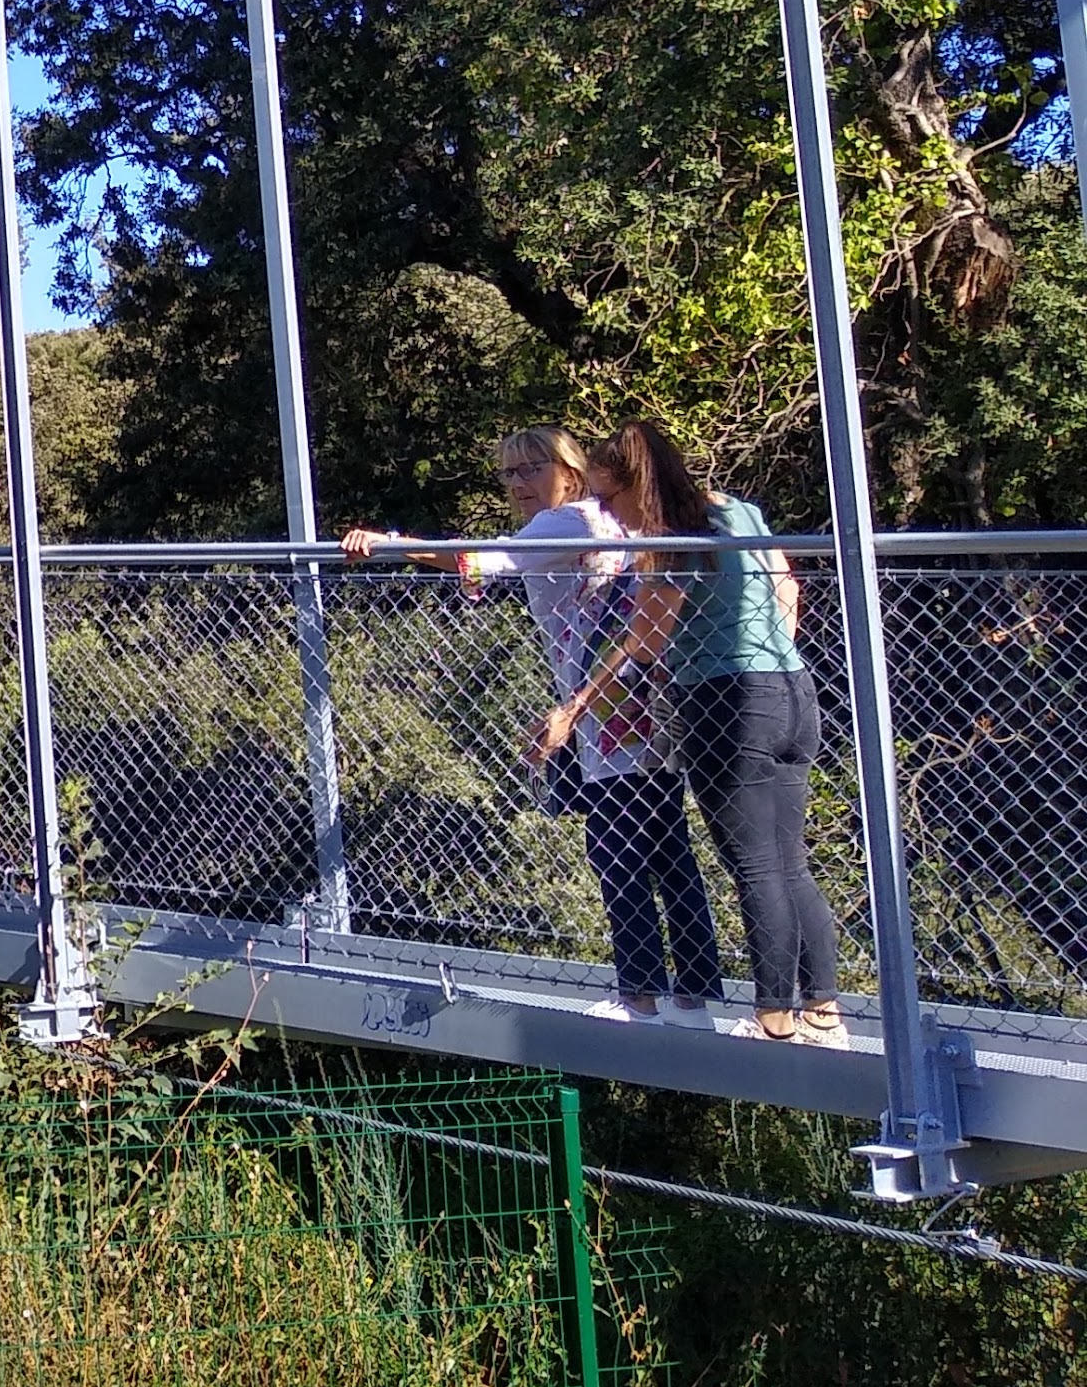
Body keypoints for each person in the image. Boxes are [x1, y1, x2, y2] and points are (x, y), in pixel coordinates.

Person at [346, 429, 721, 1024]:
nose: (519, 484)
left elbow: (486, 560)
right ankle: (697, 992)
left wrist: (393, 544)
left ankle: (641, 996)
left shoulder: (568, 523)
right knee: (666, 843)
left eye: (531, 468)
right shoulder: (610, 519)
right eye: (509, 474)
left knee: (617, 846)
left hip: (608, 707)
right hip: (651, 694)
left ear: (569, 470)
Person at [536, 421, 843, 1042]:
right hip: (791, 689)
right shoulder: (740, 512)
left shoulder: (672, 538)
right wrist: (764, 645)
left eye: (611, 499)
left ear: (634, 485)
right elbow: (786, 586)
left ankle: (774, 1019)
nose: (612, 516)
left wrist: (575, 708)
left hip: (724, 701)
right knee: (789, 861)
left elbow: (647, 638)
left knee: (754, 865)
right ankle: (823, 1011)